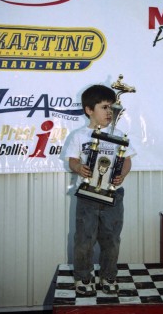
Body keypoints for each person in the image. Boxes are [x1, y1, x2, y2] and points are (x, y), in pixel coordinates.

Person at [65, 84, 136, 296]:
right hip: (87, 197)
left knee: (111, 238)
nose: (109, 112)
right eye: (104, 107)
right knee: (84, 239)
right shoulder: (79, 135)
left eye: (112, 108)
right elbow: (72, 161)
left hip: (113, 195)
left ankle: (108, 275)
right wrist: (79, 168)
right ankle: (83, 277)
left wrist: (122, 174)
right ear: (89, 110)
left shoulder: (119, 134)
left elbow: (127, 161)